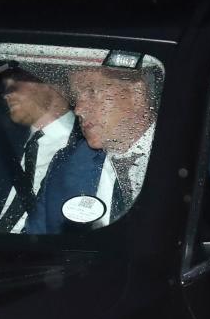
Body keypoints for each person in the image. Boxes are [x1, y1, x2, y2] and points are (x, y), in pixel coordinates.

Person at [25, 61, 160, 234]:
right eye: (76, 97)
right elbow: (38, 242)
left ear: (136, 92)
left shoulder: (189, 154)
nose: (78, 109)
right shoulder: (67, 164)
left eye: (91, 92)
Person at [0, 69, 77, 232]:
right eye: (6, 85)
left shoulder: (89, 148)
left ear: (53, 83)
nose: (6, 93)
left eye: (16, 81)